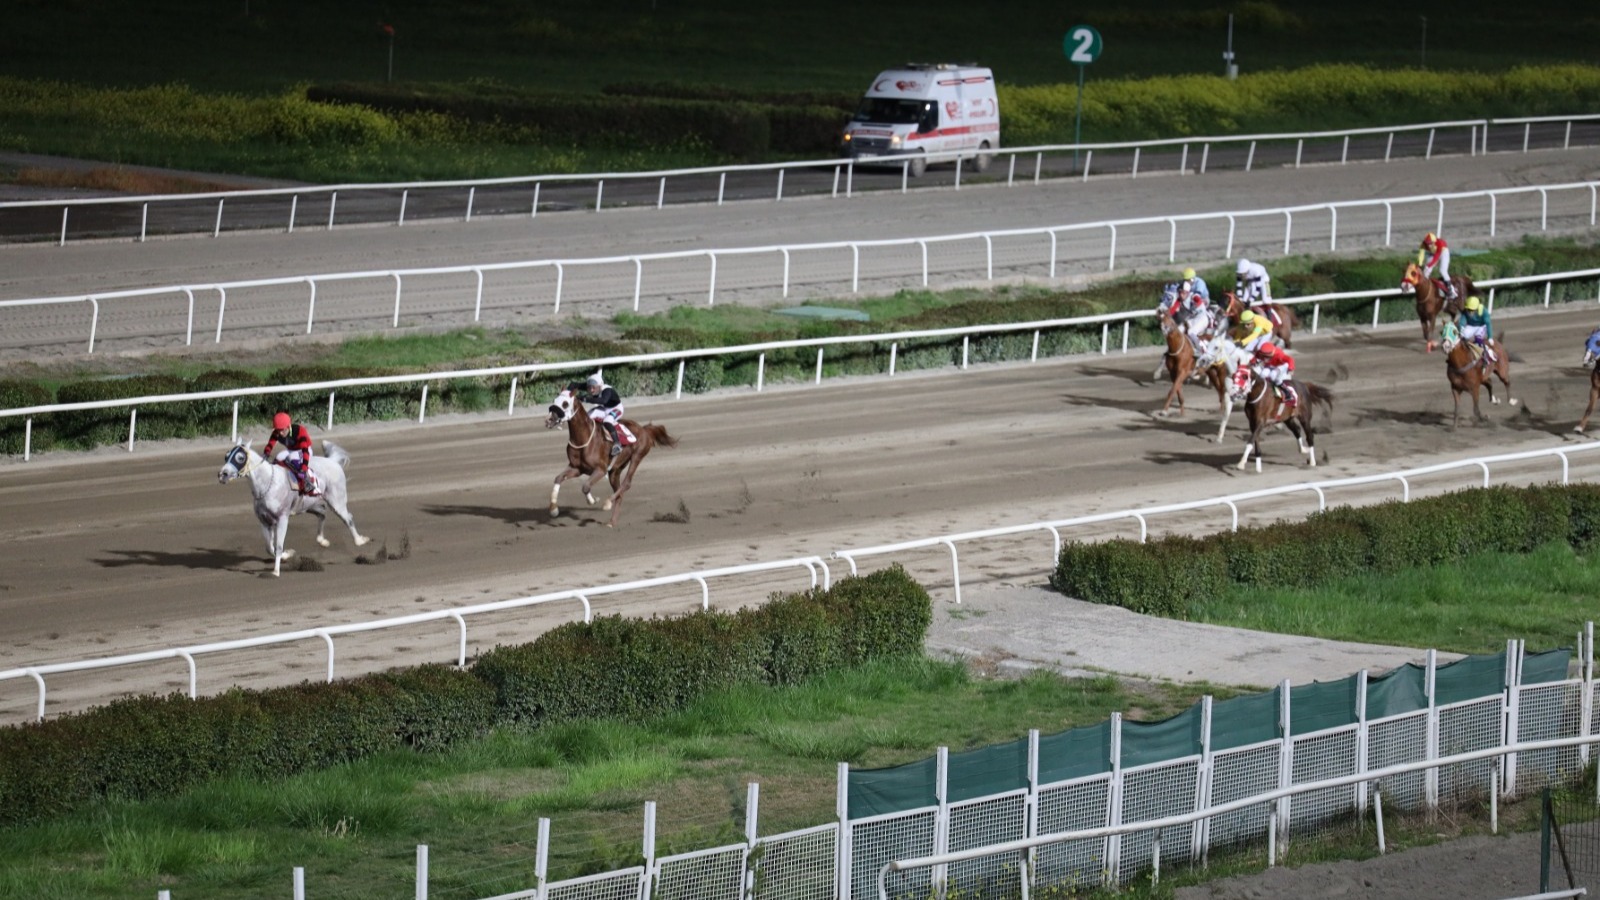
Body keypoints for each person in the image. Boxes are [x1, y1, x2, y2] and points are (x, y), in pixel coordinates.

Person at [569, 373, 631, 457]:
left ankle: (617, 443)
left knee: (607, 421)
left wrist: (585, 399)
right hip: (604, 408)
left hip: (616, 409)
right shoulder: (592, 386)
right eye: (589, 387)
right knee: (587, 417)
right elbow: (574, 384)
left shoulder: (607, 390)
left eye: (594, 387)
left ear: (600, 386)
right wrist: (566, 393)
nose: (591, 390)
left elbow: (603, 400)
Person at [262, 410, 317, 495]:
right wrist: (266, 453)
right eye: (278, 430)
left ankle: (308, 482)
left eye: (282, 430)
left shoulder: (300, 431)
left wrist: (304, 468)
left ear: (288, 426)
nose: (280, 433)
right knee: (278, 457)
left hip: (305, 450)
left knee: (291, 458)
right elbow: (270, 444)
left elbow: (305, 451)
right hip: (292, 450)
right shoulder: (276, 432)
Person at [1252, 341, 1296, 405]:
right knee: (1262, 375)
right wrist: (1253, 361)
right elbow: (1255, 357)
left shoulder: (1279, 354)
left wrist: (1291, 368)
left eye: (1267, 356)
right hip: (1270, 366)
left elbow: (1290, 359)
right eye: (1264, 356)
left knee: (1273, 375)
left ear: (1272, 353)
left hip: (1281, 365)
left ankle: (1287, 392)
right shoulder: (1260, 352)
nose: (1265, 358)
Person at [1417, 232, 1457, 304]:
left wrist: (1430, 265)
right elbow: (1421, 255)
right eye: (1427, 243)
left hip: (1443, 252)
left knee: (1442, 271)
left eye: (1430, 243)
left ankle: (1451, 290)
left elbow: (1437, 257)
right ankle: (1425, 288)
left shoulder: (1439, 243)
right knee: (1426, 271)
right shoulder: (1423, 244)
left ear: (1434, 241)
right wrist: (1420, 265)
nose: (1429, 245)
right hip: (1433, 253)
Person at [1457, 296, 1495, 362]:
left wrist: (1490, 337)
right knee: (1463, 336)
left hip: (1481, 326)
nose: (1470, 312)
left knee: (1478, 339)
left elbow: (1488, 324)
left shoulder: (1484, 311)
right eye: (1468, 310)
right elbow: (1462, 322)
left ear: (1477, 308)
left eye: (1472, 310)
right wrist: (1461, 329)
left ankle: (1488, 352)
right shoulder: (1465, 311)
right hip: (1471, 326)